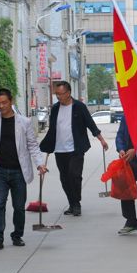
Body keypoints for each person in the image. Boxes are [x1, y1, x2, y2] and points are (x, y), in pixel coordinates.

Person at [0, 88, 46, 249]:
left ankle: (17, 235)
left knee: (19, 206)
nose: (1, 106)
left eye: (4, 102)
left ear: (11, 102)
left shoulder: (24, 122)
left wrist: (39, 163)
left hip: (19, 172)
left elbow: (33, 145)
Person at [40, 81, 108, 216]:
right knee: (64, 178)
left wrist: (101, 139)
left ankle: (76, 203)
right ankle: (71, 203)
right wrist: (48, 145)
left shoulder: (79, 107)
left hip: (76, 149)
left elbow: (90, 123)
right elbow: (52, 130)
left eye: (61, 94)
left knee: (74, 176)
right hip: (60, 149)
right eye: (57, 94)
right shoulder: (55, 109)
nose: (58, 97)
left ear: (68, 93)